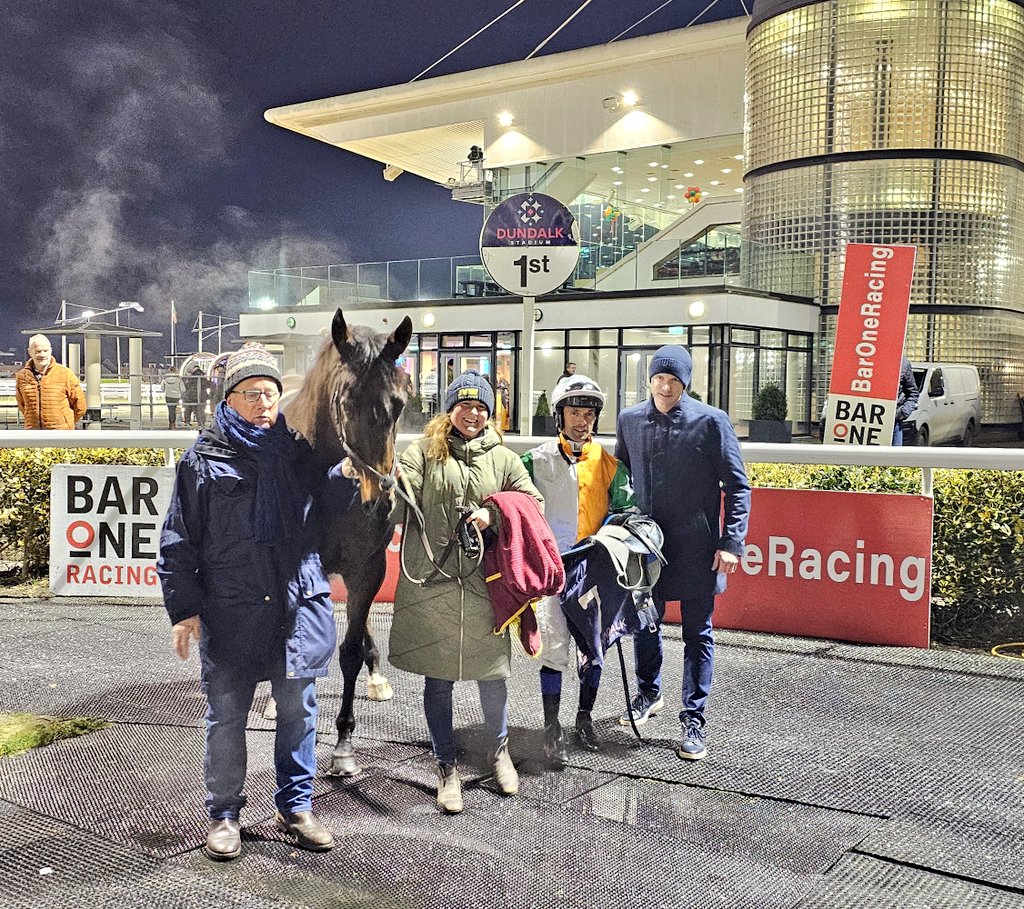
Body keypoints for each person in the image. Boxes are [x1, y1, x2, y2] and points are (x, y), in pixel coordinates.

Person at [157, 344, 343, 861]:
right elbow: (178, 538)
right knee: (227, 716)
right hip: (232, 604)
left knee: (299, 711)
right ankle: (224, 813)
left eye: (272, 393)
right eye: (253, 394)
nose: (265, 403)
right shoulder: (203, 458)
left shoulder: (299, 451)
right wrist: (184, 610)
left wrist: (349, 481)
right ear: (230, 398)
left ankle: (297, 806)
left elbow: (332, 509)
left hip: (296, 604)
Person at [385, 370, 543, 815]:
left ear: (490, 414)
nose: (472, 414)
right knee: (438, 680)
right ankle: (446, 766)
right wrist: (389, 481)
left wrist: (495, 516)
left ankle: (499, 753)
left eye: (480, 407)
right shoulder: (421, 453)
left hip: (483, 589)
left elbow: (533, 506)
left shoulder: (505, 460)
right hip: (433, 586)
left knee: (492, 675)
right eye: (464, 406)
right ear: (448, 410)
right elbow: (399, 503)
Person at [615, 345, 750, 762]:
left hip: (698, 547)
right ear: (649, 379)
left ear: (686, 382)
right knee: (645, 626)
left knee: (698, 634)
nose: (665, 386)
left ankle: (694, 718)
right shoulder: (629, 419)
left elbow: (738, 487)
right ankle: (647, 694)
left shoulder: (712, 422)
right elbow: (620, 480)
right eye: (659, 378)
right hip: (646, 548)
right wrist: (616, 532)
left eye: (674, 380)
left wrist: (731, 543)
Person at [521, 374, 634, 768]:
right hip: (554, 573)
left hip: (595, 572)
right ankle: (552, 729)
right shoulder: (535, 460)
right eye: (574, 413)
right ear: (559, 416)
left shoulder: (609, 464)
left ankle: (583, 720)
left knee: (595, 651)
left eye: (589, 414)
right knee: (554, 650)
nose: (582, 421)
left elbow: (623, 513)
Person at [15, 334, 86, 429]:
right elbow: (22, 405)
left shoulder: (65, 374)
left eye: (46, 351)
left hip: (61, 434)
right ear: (30, 352)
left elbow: (80, 406)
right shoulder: (21, 376)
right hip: (33, 434)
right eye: (38, 351)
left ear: (51, 351)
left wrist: (66, 424)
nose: (42, 355)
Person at [894, 355, 920, 445]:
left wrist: (903, 412)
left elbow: (913, 394)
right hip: (865, 423)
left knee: (894, 458)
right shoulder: (863, 361)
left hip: (894, 424)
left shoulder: (903, 363)